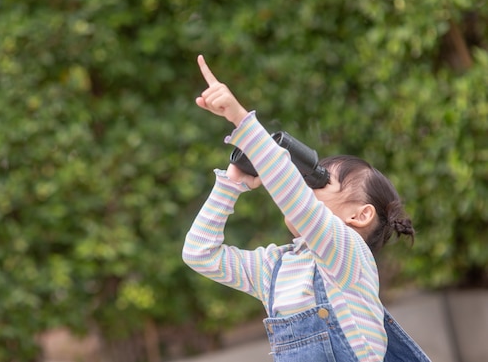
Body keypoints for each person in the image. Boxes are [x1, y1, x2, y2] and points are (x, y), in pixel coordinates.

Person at [182, 55, 431, 362]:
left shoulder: (348, 255)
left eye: (323, 181)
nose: (308, 186)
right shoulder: (274, 266)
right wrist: (230, 184)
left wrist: (242, 121)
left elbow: (298, 203)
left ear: (360, 215)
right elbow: (199, 253)